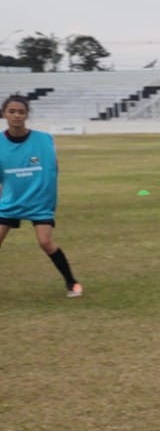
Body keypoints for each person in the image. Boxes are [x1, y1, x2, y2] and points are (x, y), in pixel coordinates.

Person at [0, 94, 83, 298]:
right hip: (11, 201)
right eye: (12, 111)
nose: (17, 116)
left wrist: (47, 198)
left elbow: (53, 169)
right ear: (4, 114)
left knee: (45, 242)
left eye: (21, 112)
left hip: (38, 202)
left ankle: (72, 283)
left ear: (27, 115)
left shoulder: (44, 140)